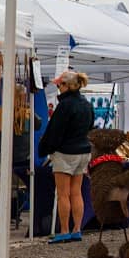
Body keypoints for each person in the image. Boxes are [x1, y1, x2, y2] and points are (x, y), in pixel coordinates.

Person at [38, 70, 93, 242]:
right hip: (83, 151)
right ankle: (77, 229)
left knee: (62, 193)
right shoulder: (86, 103)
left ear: (68, 86)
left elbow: (55, 131)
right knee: (76, 192)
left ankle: (64, 230)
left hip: (66, 152)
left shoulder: (65, 105)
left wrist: (45, 147)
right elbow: (90, 127)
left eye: (59, 85)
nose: (58, 88)